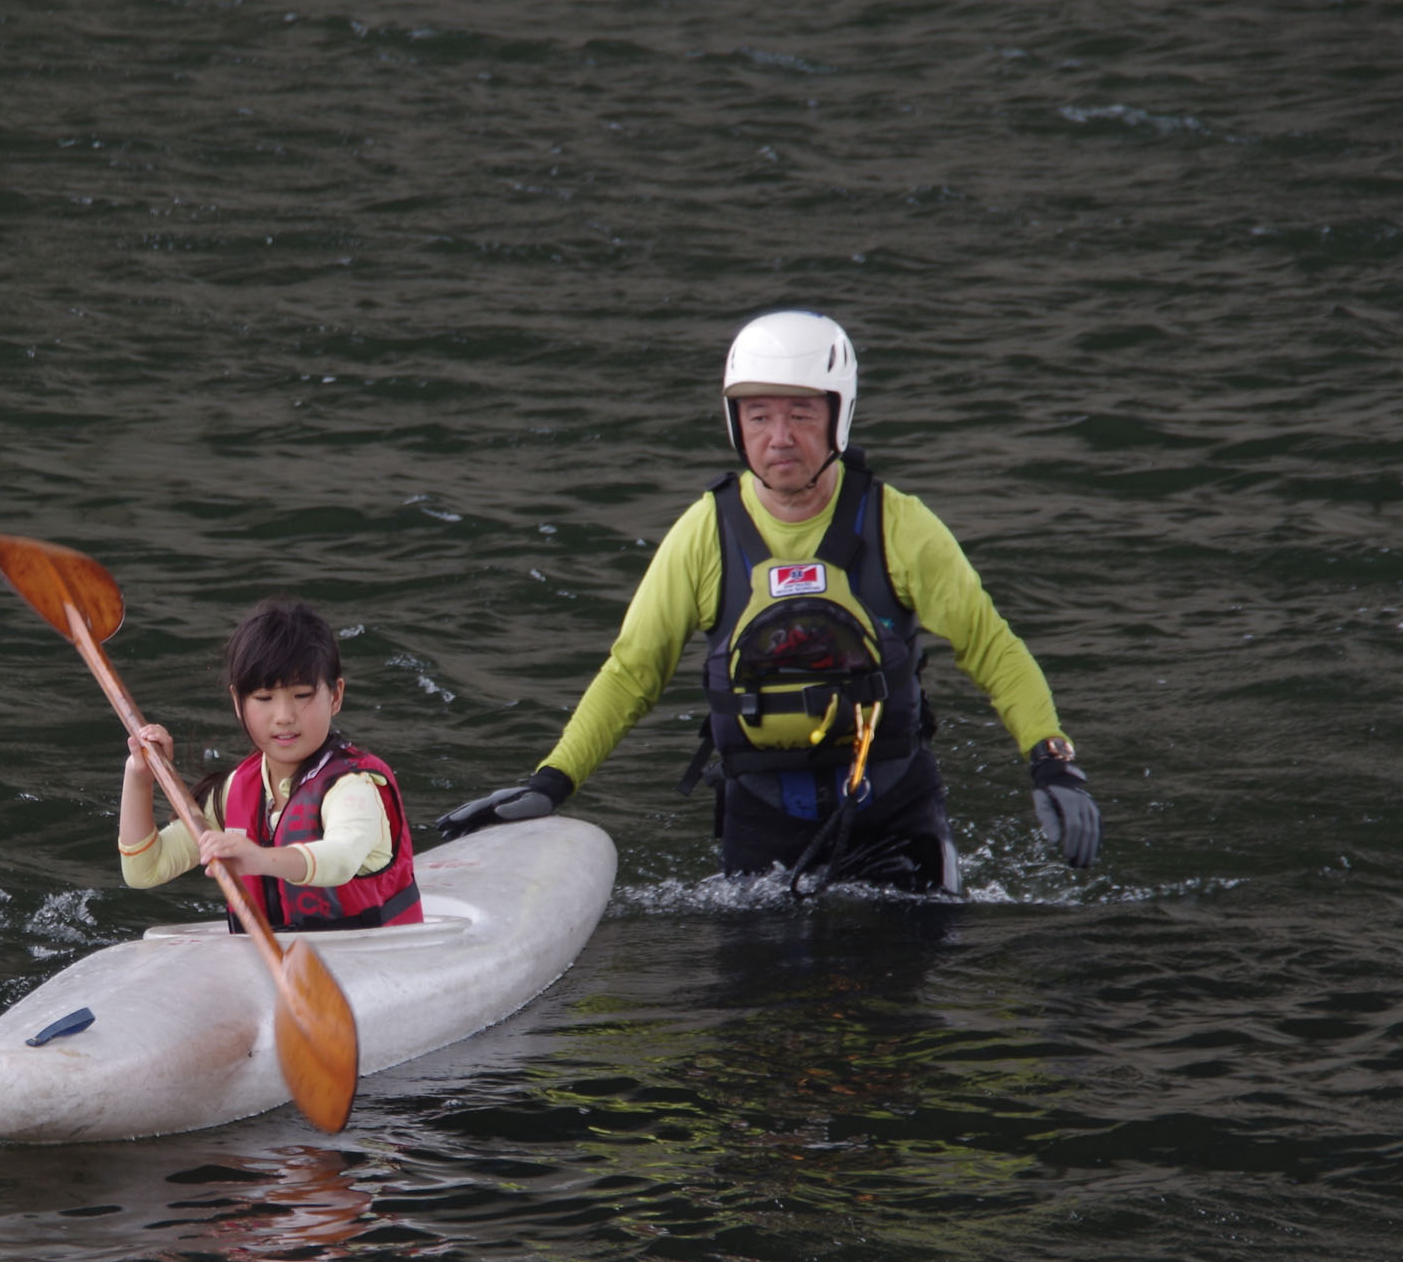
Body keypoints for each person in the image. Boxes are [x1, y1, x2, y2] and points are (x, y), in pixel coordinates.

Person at [436, 309, 1099, 893]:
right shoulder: (705, 532)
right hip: (760, 811)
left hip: (893, 805)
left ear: (838, 416)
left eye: (800, 415)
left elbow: (992, 649)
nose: (779, 437)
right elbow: (633, 671)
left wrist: (1052, 762)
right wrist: (552, 781)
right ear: (736, 424)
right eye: (759, 417)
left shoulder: (900, 524)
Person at [121, 597, 424, 930]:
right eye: (264, 698)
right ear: (238, 702)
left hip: (370, 962)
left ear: (335, 696)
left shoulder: (354, 787)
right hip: (278, 970)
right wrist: (138, 777)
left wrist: (261, 859)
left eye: (302, 695)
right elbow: (144, 871)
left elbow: (342, 859)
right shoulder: (237, 790)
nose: (284, 717)